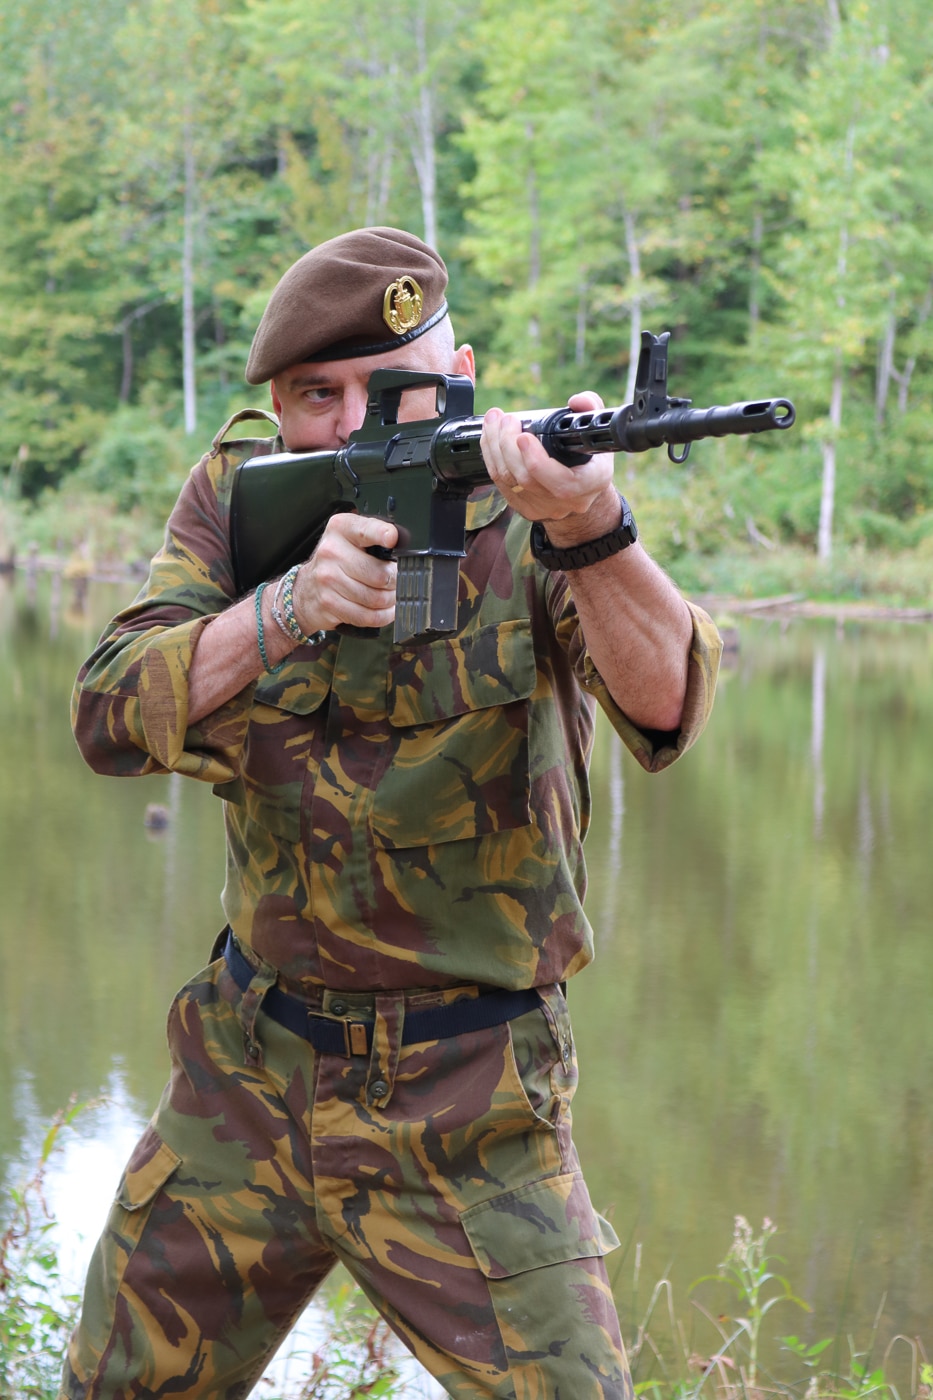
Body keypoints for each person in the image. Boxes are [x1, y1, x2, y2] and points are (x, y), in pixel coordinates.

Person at [62, 226, 722, 1400]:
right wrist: (281, 611)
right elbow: (108, 714)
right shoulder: (239, 496)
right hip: (249, 1068)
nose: (357, 420)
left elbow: (667, 708)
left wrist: (591, 529)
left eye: (392, 385)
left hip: (475, 1095)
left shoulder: (534, 503)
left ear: (457, 370)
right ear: (277, 403)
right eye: (319, 396)